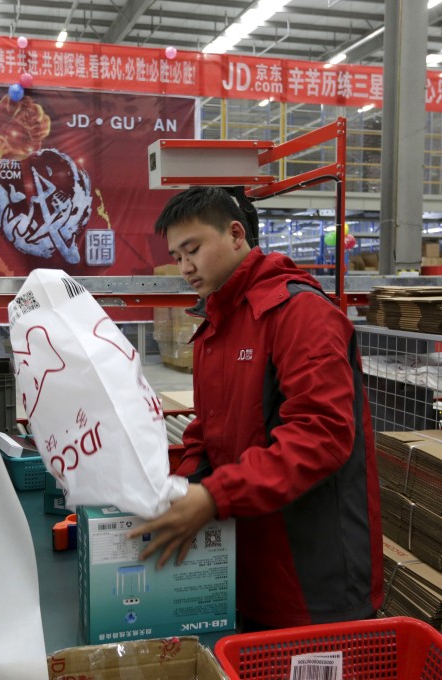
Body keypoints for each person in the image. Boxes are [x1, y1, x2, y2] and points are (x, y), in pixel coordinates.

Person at [129, 186, 383, 631]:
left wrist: (213, 496)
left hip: (314, 578)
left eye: (193, 249)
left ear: (235, 234)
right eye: (177, 255)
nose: (185, 266)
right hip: (249, 566)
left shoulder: (300, 314)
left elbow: (320, 435)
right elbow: (205, 433)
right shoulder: (217, 324)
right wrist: (179, 487)